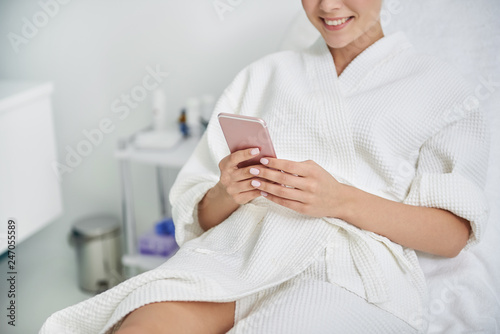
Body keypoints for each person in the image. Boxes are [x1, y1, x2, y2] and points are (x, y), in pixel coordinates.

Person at [40, 0, 489, 333]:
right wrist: (225, 192)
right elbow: (199, 216)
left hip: (346, 269)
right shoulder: (264, 75)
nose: (328, 6)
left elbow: (452, 235)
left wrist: (340, 200)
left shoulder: (440, 89)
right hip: (240, 254)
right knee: (138, 325)